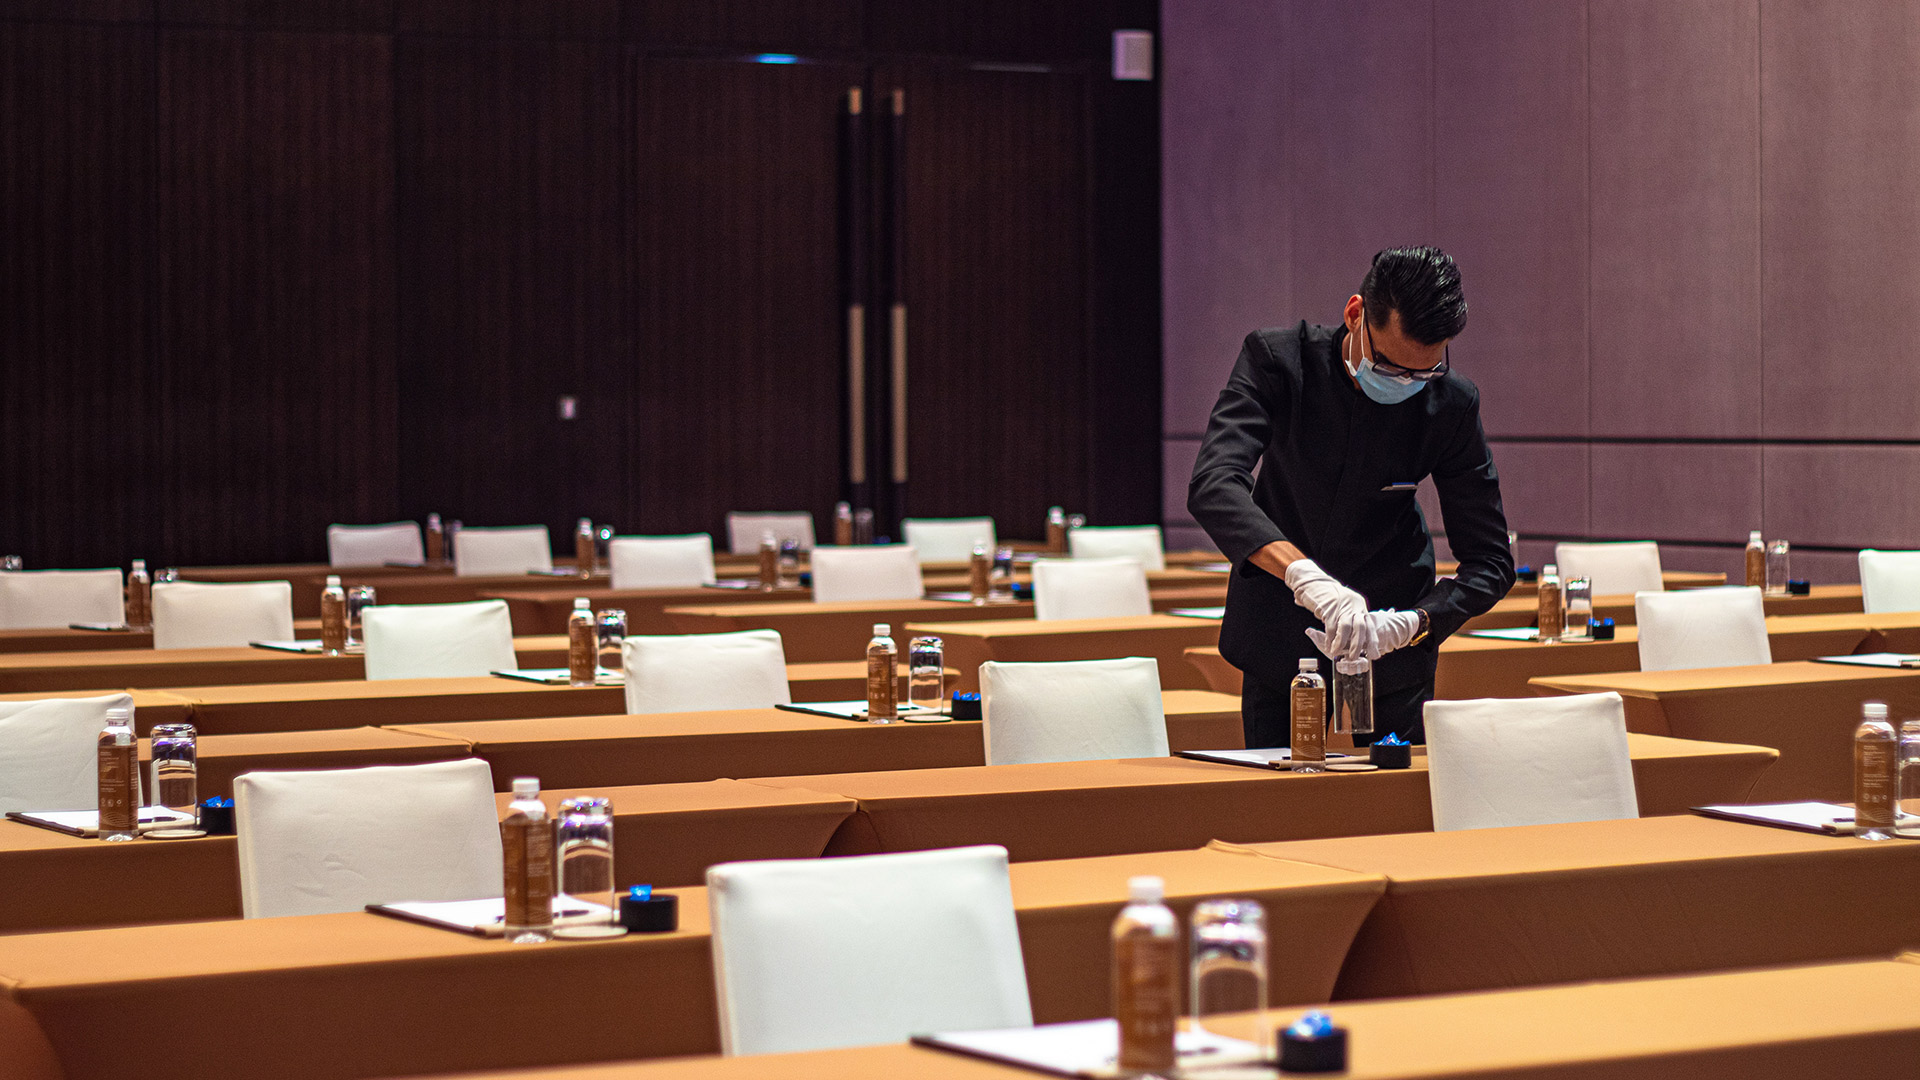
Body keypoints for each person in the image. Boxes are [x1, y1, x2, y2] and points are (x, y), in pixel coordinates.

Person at [1187, 246, 1514, 747]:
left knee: (1391, 810)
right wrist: (1303, 576)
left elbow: (1490, 560)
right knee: (1278, 806)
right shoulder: (1278, 361)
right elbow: (1215, 483)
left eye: (1423, 372)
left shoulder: (1451, 403)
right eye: (1388, 365)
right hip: (1281, 637)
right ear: (1356, 313)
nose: (1404, 385)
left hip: (1391, 642)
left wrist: (1416, 622)